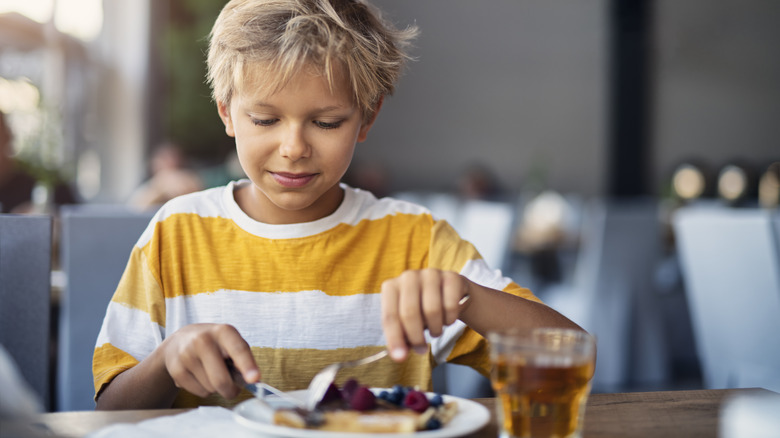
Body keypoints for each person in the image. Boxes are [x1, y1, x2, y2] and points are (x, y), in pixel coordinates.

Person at [93, 0, 583, 410]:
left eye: (326, 123)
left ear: (366, 119)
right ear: (226, 111)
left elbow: (571, 355)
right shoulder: (176, 232)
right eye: (264, 119)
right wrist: (166, 360)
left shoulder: (414, 241)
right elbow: (110, 409)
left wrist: (466, 297)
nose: (293, 148)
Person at [127, 141, 204, 210]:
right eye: (164, 160)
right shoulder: (150, 184)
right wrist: (160, 186)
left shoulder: (189, 180)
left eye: (173, 160)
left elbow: (197, 203)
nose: (169, 164)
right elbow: (134, 208)